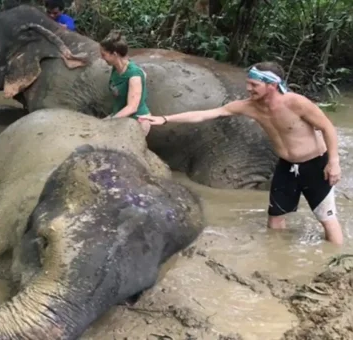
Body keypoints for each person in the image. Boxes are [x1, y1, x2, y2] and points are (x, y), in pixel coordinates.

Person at [139, 61, 343, 245]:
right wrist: (165, 119)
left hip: (315, 164)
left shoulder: (296, 103)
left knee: (326, 218)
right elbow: (205, 115)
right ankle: (277, 259)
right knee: (275, 217)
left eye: (254, 85)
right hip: (287, 166)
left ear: (271, 85)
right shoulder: (249, 107)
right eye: (248, 83)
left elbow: (327, 128)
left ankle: (337, 265)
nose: (248, 88)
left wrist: (333, 162)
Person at [99, 30, 152, 135]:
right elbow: (144, 74)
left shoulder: (134, 74)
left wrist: (109, 121)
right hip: (120, 116)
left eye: (103, 54)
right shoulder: (116, 68)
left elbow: (132, 107)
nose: (101, 58)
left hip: (135, 122)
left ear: (114, 54)